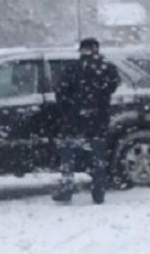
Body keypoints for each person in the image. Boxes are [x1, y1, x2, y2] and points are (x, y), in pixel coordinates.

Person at [52, 38, 121, 204]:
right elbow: (112, 87)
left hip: (74, 119)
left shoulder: (72, 68)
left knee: (68, 153)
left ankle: (67, 189)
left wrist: (69, 110)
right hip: (99, 119)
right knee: (98, 156)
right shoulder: (107, 68)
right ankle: (99, 192)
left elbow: (60, 92)